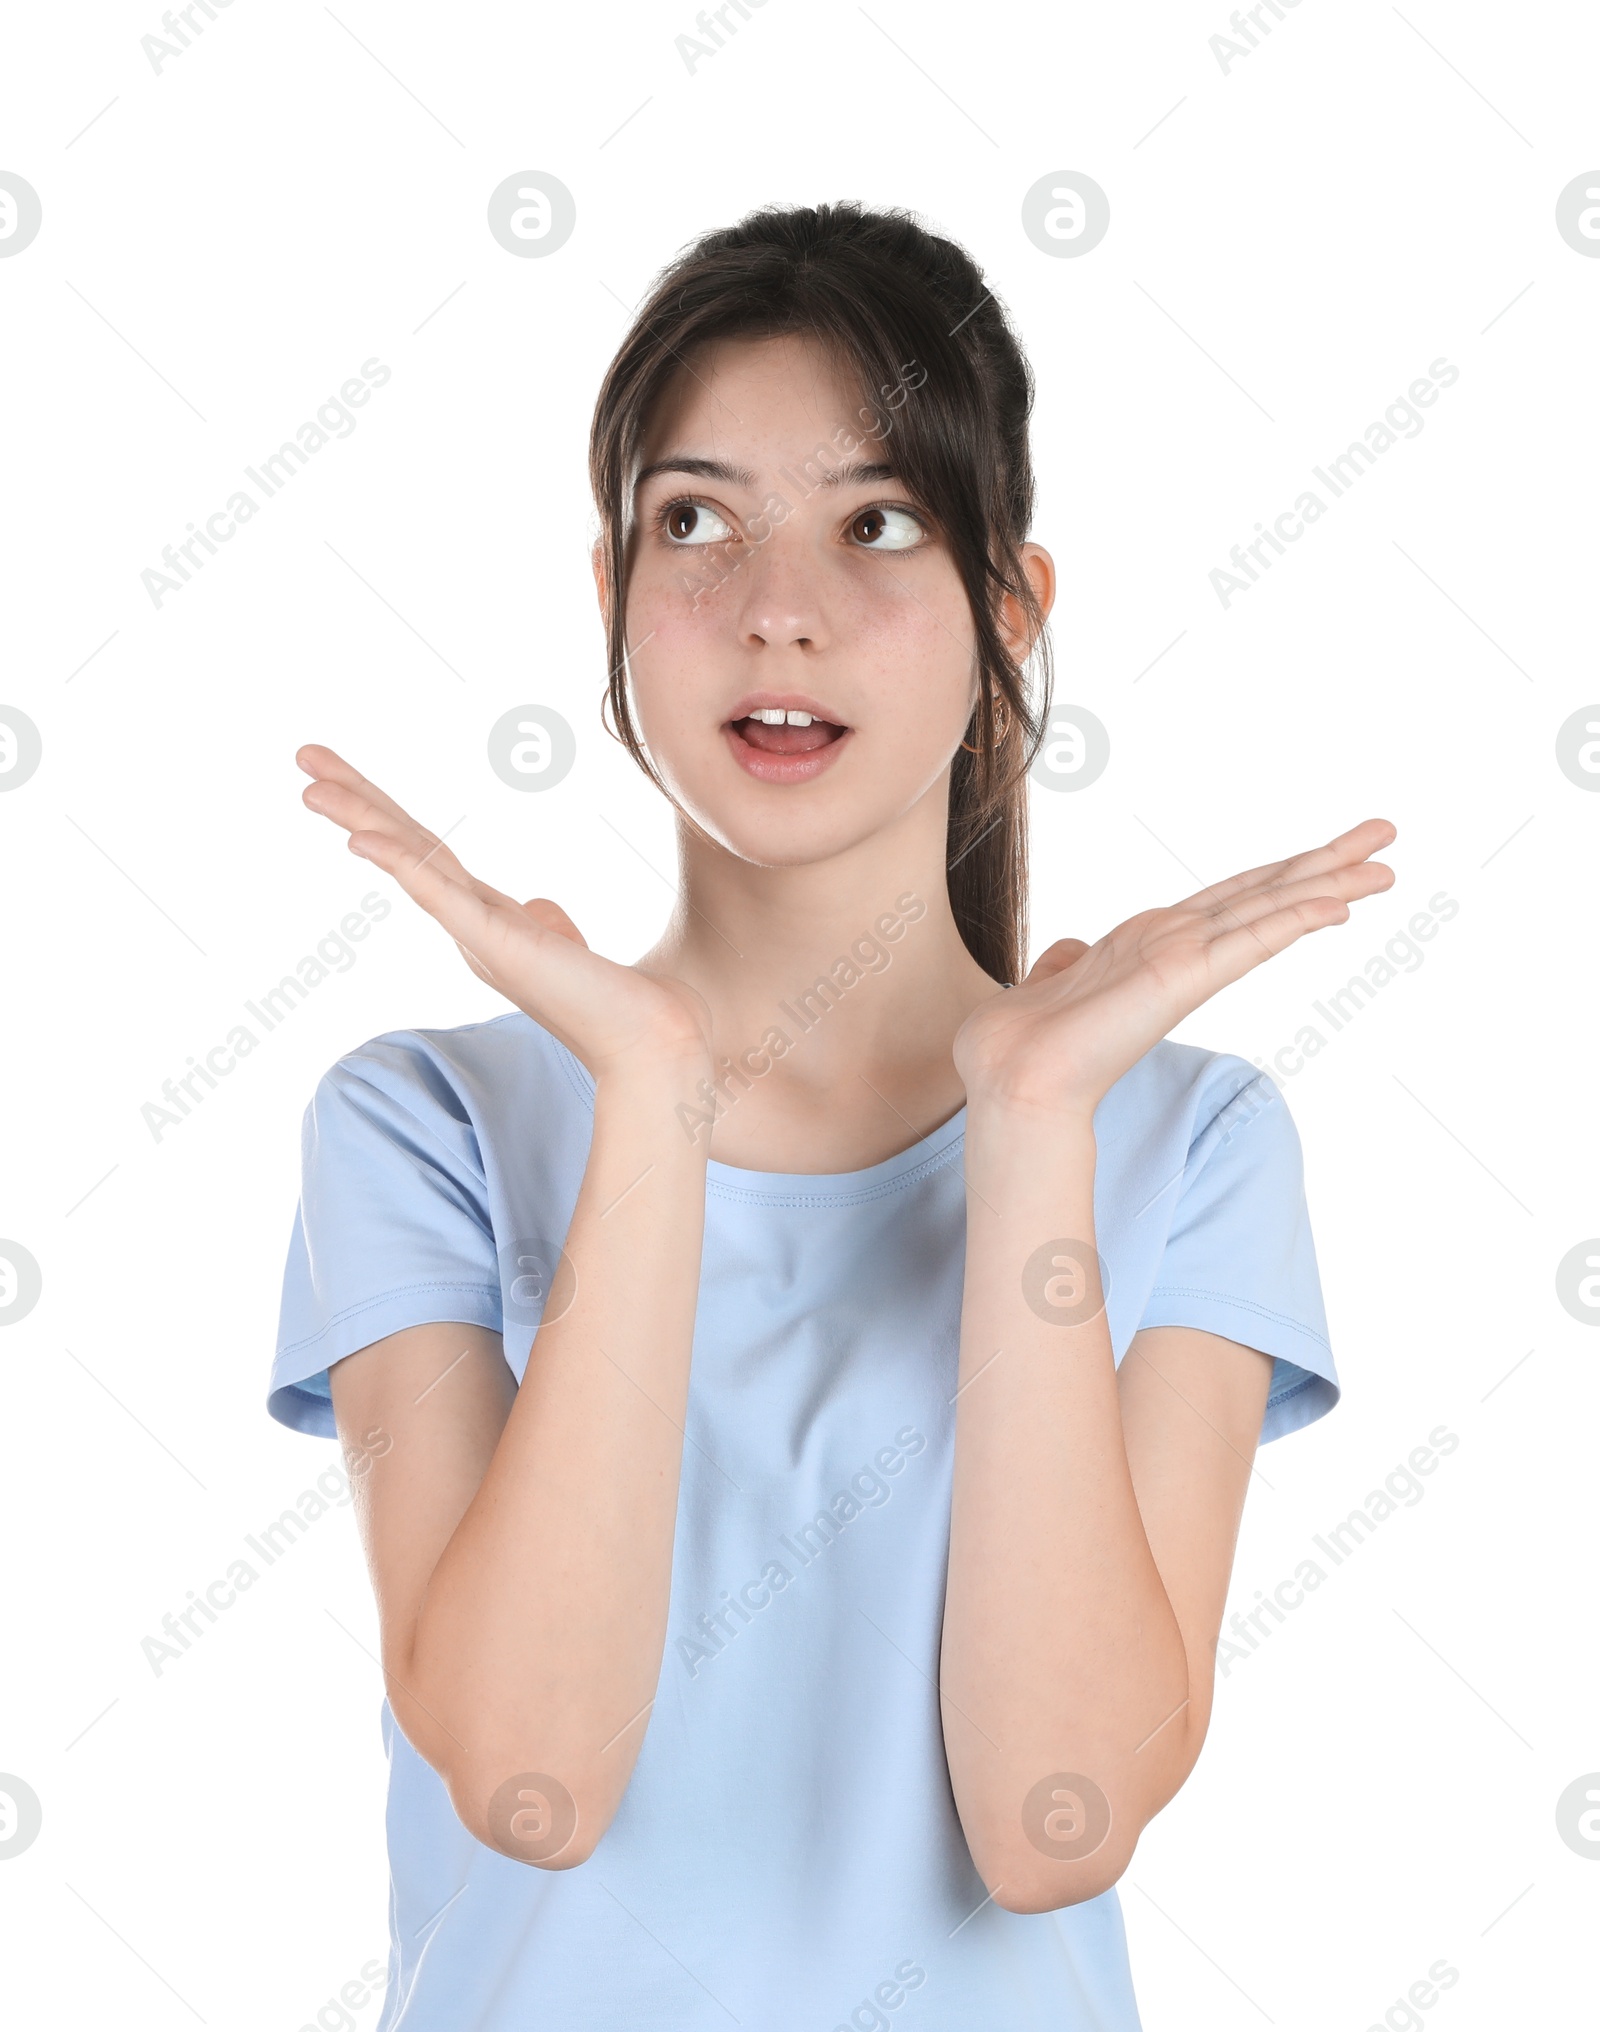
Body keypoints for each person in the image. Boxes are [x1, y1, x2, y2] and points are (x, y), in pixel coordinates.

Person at [268, 201, 1395, 2030]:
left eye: (877, 522)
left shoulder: (1185, 1143)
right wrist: (652, 1099)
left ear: (1010, 609)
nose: (775, 610)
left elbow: (1057, 1822)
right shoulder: (426, 1124)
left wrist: (1029, 1123)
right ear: (612, 599)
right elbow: (527, 1774)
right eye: (694, 523)